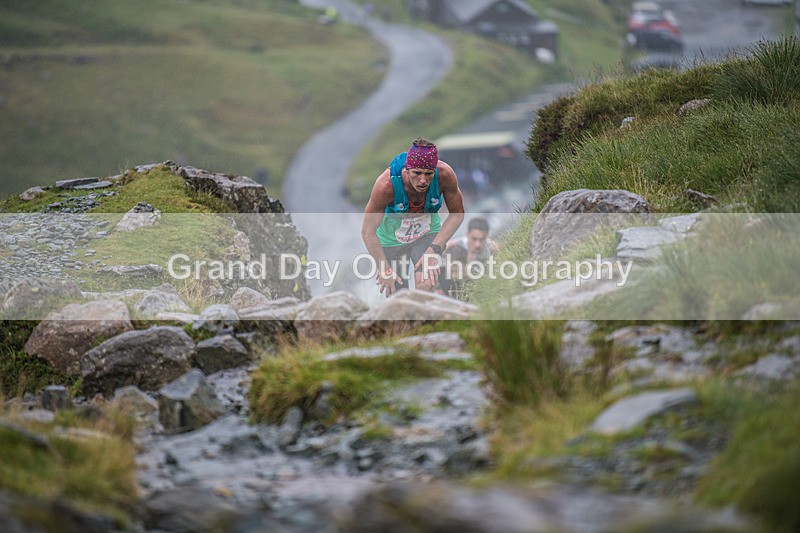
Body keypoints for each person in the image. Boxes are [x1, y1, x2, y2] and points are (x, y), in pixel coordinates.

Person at [362, 138, 465, 297]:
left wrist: (435, 248)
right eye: (417, 173)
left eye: (429, 174)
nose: (423, 180)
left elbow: (457, 214)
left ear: (435, 171)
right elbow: (368, 231)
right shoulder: (386, 185)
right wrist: (384, 269)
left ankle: (431, 320)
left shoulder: (445, 175)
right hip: (392, 237)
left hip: (426, 232)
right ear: (407, 169)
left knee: (426, 284)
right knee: (397, 295)